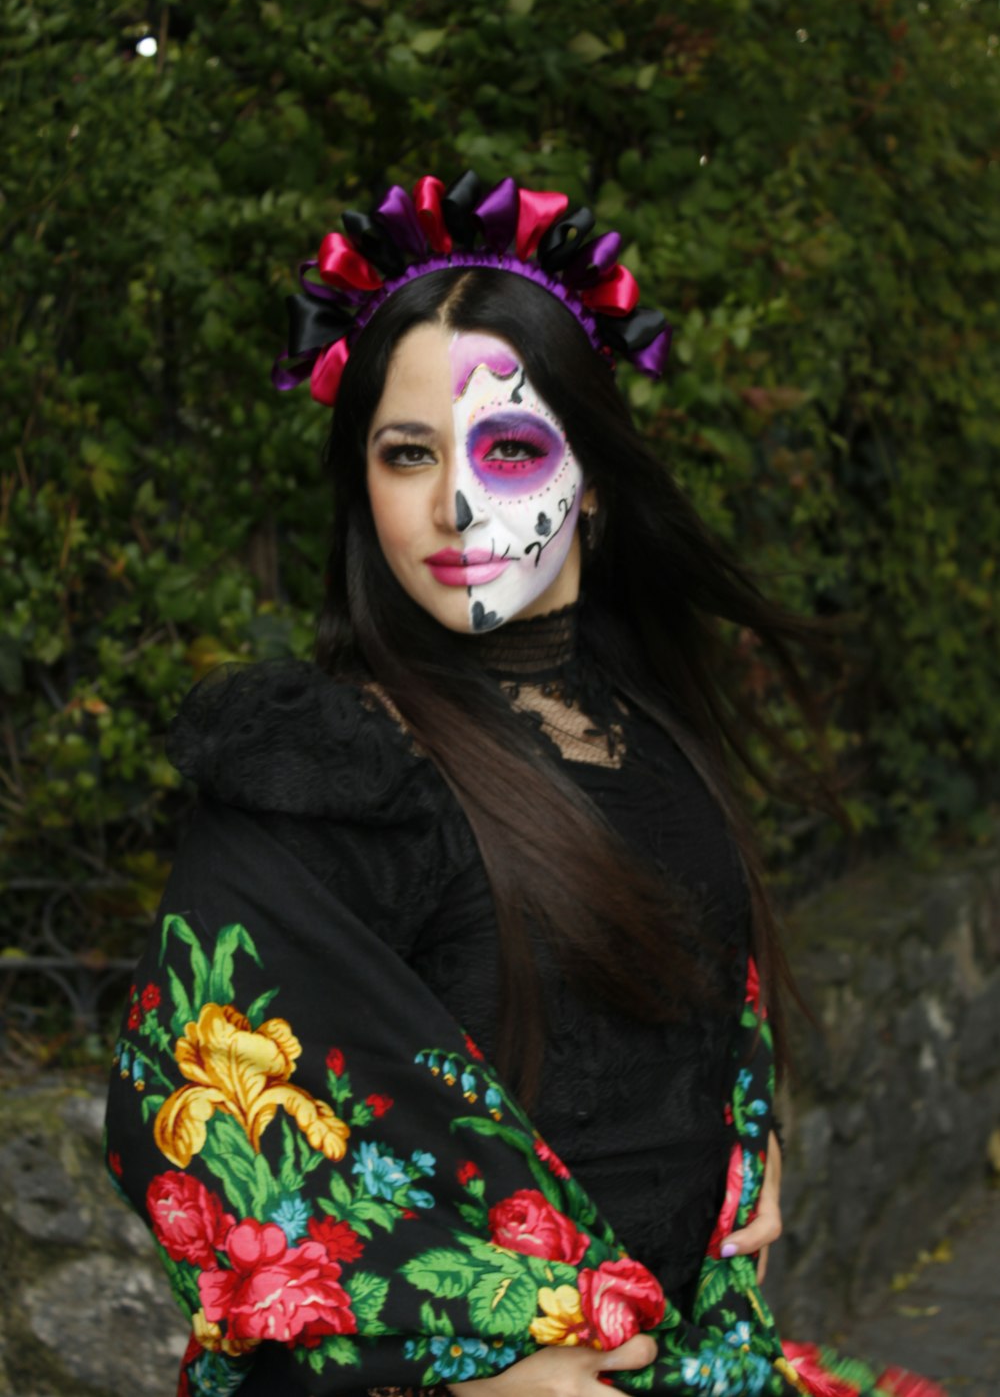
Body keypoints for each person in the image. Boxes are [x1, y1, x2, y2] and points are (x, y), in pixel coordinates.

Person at [104, 173, 941, 1397]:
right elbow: (195, 1117)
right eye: (406, 454)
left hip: (694, 1358)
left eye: (508, 448)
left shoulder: (639, 724)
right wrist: (479, 1365)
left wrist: (750, 1138)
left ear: (591, 482)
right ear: (365, 485)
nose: (453, 503)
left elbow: (692, 991)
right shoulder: (327, 773)